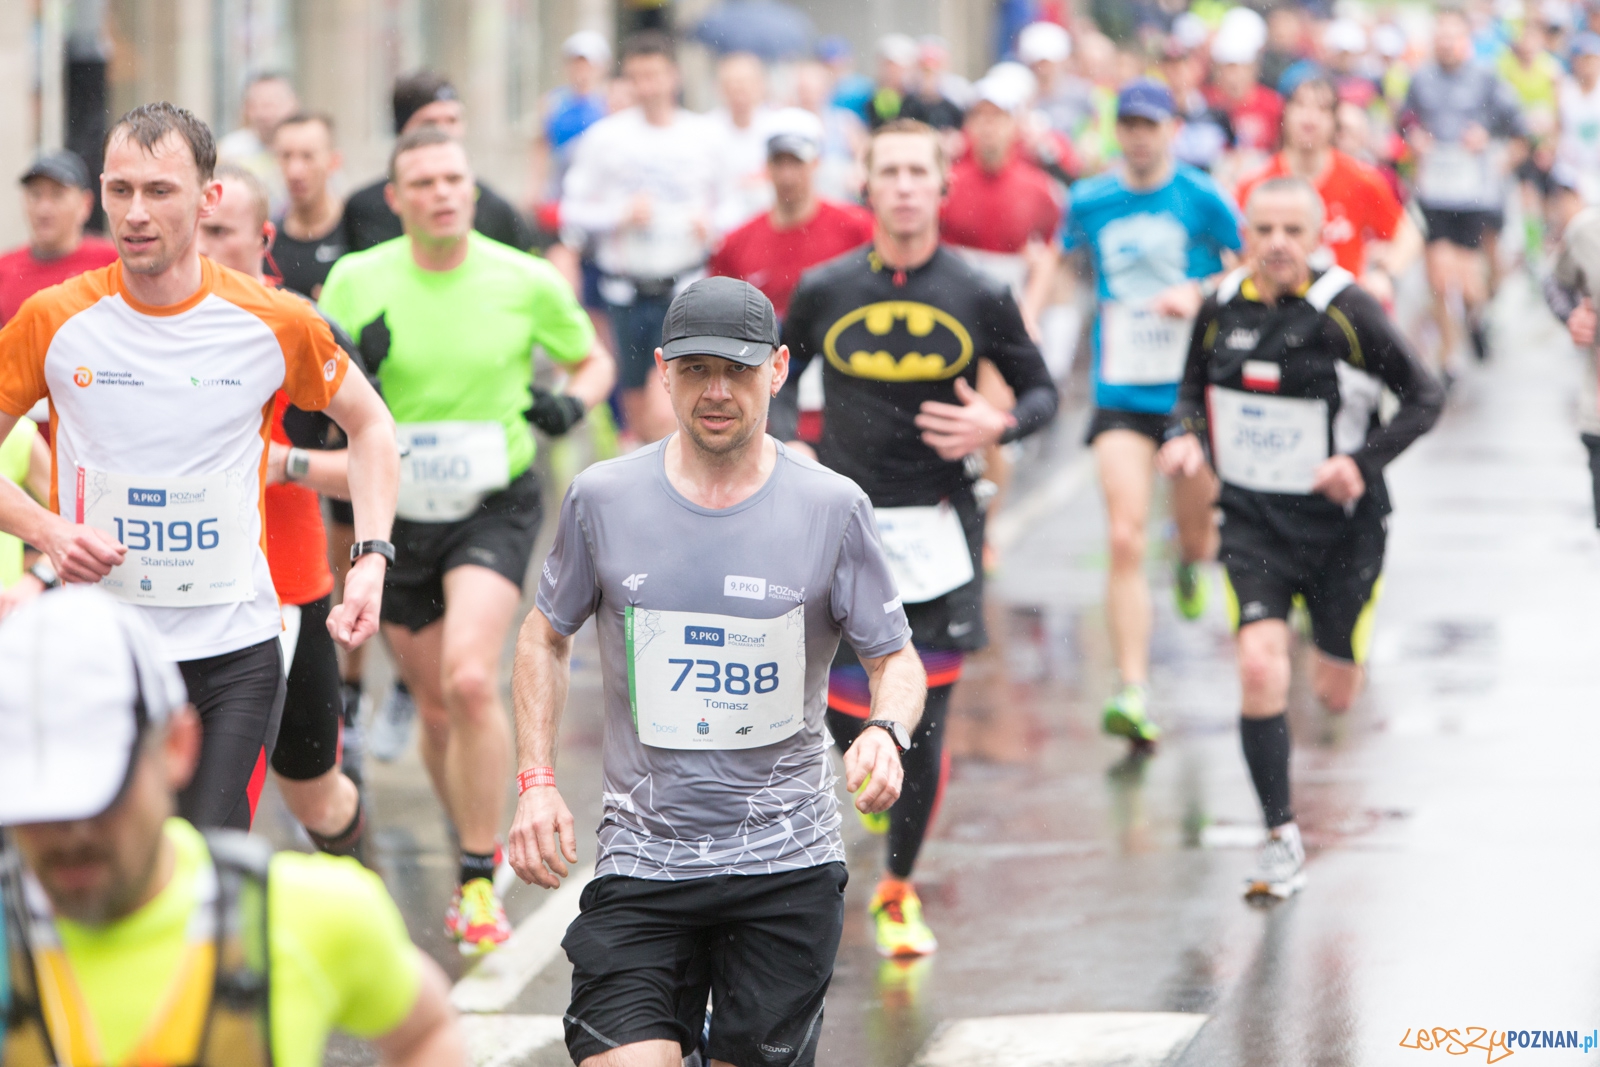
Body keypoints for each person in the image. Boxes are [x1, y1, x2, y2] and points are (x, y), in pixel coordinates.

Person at [507, 276, 927, 1066]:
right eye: (697, 370)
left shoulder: (832, 507)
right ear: (662, 370)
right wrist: (535, 779)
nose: (717, 391)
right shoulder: (602, 497)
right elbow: (544, 635)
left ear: (778, 370)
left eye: (738, 369)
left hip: (786, 862)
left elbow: (893, 655)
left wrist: (885, 728)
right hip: (645, 857)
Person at [0, 102, 398, 834]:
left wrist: (371, 556)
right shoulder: (54, 320)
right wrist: (47, 530)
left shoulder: (275, 321)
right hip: (104, 647)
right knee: (113, 857)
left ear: (207, 196)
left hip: (231, 653)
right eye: (120, 190)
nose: (136, 212)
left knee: (209, 858)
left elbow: (372, 427)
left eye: (160, 190)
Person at [318, 125, 614, 955]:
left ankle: (479, 878)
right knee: (440, 710)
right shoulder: (355, 278)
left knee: (472, 679)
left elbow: (589, 362)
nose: (443, 193)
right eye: (424, 182)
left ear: (472, 191)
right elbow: (318, 379)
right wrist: (351, 377)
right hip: (399, 507)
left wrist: (571, 403)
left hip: (496, 497)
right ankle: (472, 847)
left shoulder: (522, 278)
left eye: (455, 178)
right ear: (397, 199)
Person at [775, 119, 1059, 957]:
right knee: (841, 711)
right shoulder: (826, 287)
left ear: (943, 187)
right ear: (865, 184)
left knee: (924, 720)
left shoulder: (977, 292)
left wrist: (996, 422)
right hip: (838, 524)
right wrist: (788, 439)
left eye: (917, 172)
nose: (902, 186)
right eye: (887, 170)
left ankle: (898, 886)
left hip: (938, 527)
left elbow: (1043, 393)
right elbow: (778, 383)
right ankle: (867, 793)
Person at [0, 586, 467, 1066]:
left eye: (99, 796)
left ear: (176, 748)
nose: (70, 835)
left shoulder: (305, 916)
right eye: (37, 804)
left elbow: (427, 1034)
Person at [1156, 177, 1441, 901]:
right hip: (1253, 522)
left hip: (1344, 529)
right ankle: (1280, 834)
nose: (1278, 244)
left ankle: (1344, 643)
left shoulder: (1347, 311)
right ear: (1244, 234)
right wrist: (1185, 438)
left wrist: (1359, 461)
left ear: (1317, 237)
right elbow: (1188, 390)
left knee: (1335, 690)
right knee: (1259, 665)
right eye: (1264, 229)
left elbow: (1427, 395)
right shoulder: (1221, 305)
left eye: (1293, 230)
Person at [1061, 80, 1242, 745]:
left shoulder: (1201, 197)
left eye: (1150, 124)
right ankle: (1132, 687)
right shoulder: (1090, 199)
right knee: (1124, 535)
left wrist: (1197, 292)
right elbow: (1062, 265)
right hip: (1121, 394)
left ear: (1170, 128)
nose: (1139, 135)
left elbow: (1245, 273)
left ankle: (1192, 560)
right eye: (1129, 124)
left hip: (1189, 397)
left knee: (1198, 536)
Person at [197, 162, 369, 860]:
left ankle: (361, 892)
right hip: (179, 592)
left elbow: (378, 463)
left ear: (263, 237)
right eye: (194, 228)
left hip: (288, 592)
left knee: (315, 796)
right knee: (199, 794)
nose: (199, 245)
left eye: (218, 231)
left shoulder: (300, 327)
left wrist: (285, 464)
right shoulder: (136, 325)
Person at [561, 31, 727, 444]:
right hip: (625, 289)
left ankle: (677, 485)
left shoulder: (704, 136)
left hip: (684, 286)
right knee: (635, 409)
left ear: (674, 76)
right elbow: (572, 210)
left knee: (663, 404)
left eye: (654, 75)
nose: (646, 86)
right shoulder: (605, 138)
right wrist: (619, 215)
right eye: (636, 77)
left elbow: (734, 203)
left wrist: (714, 223)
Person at [1401, 7, 1527, 367]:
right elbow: (1403, 122)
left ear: (1465, 40)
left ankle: (1476, 318)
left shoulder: (1485, 79)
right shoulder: (1420, 79)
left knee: (1470, 282)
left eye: (1452, 37)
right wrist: (1415, 138)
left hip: (1473, 194)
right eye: (1439, 38)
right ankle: (1449, 359)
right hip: (1434, 190)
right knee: (1440, 277)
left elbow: (1519, 128)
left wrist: (1488, 142)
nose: (1445, 45)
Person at [1235, 70, 1422, 305]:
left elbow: (1408, 233)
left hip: (1342, 314)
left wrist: (1386, 275)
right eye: (1301, 106)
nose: (1309, 118)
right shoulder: (1257, 183)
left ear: (1335, 122)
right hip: (1277, 311)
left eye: (1321, 109)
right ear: (1286, 114)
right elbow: (1236, 249)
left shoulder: (1361, 179)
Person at [342, 71, 533, 254]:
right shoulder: (363, 209)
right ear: (393, 199)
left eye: (452, 120)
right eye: (429, 123)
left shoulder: (495, 208)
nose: (444, 132)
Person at [708, 115, 874, 320]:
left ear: (815, 163)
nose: (787, 175)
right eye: (779, 162)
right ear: (766, 166)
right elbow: (719, 317)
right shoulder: (735, 244)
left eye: (796, 162)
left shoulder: (857, 227)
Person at [941, 77, 1063, 333]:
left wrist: (1029, 312)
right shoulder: (946, 184)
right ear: (968, 125)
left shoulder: (1038, 188)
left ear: (1015, 124)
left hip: (1010, 314)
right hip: (954, 312)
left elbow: (1050, 254)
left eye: (997, 116)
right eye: (980, 116)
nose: (988, 126)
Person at [0, 151, 118, 323]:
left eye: (57, 195)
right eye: (35, 195)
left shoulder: (113, 263)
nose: (43, 209)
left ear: (85, 204)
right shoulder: (5, 270)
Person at [270, 112, 347, 301]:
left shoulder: (356, 231)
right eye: (286, 156)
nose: (295, 171)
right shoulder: (267, 241)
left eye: (308, 156)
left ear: (334, 161)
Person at [530, 31, 611, 211]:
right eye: (576, 65)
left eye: (587, 65)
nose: (581, 71)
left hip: (597, 191)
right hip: (559, 189)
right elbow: (541, 146)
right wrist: (535, 187)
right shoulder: (552, 102)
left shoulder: (609, 102)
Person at [709, 52, 776, 231]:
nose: (739, 91)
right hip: (720, 230)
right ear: (719, 89)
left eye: (746, 84)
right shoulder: (706, 131)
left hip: (768, 228)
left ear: (761, 86)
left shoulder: (776, 128)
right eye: (731, 85)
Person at [216, 72, 298, 213]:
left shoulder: (305, 147)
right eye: (256, 104)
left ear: (293, 104)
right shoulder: (228, 151)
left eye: (272, 104)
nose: (264, 113)